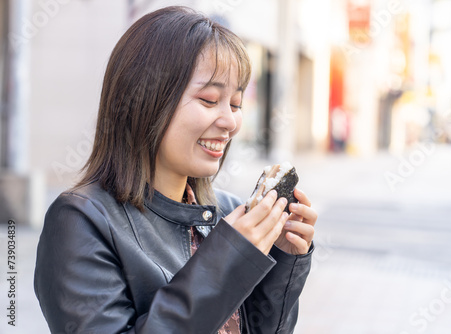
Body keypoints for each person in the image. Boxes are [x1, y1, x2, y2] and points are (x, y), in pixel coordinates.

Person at [34, 6, 317, 334]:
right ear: (146, 100)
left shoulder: (227, 212)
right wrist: (227, 261)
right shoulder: (81, 221)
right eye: (210, 100)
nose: (230, 122)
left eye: (236, 104)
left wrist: (283, 258)